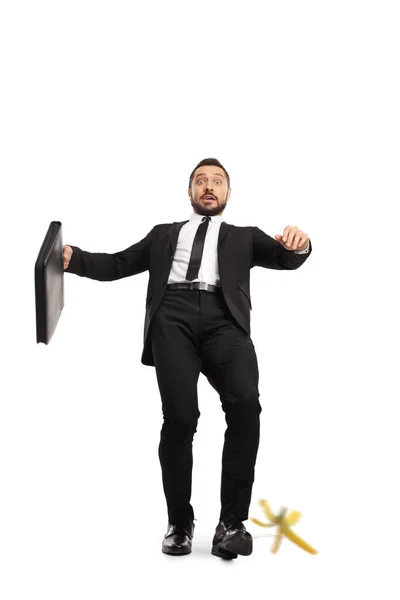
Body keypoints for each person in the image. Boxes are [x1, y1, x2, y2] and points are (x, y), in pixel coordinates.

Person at [63, 157, 312, 560]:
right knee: (180, 419)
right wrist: (72, 257)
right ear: (191, 192)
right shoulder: (163, 235)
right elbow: (118, 263)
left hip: (224, 321)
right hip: (172, 317)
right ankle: (180, 521)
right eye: (200, 181)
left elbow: (287, 257)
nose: (208, 186)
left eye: (217, 181)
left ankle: (232, 523)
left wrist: (301, 244)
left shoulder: (244, 236)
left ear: (229, 193)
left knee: (246, 405)